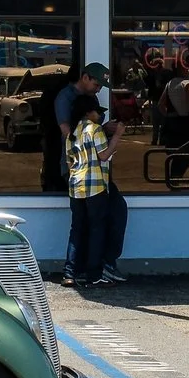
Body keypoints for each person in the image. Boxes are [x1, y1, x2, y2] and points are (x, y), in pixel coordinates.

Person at [55, 63, 123, 285]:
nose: (98, 90)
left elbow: (70, 145)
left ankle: (71, 271)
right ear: (84, 77)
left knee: (78, 226)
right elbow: (103, 155)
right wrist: (113, 135)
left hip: (77, 181)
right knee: (97, 226)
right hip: (94, 182)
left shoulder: (76, 131)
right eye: (96, 84)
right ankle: (96, 271)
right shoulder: (67, 101)